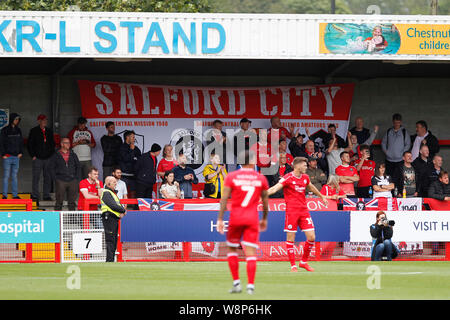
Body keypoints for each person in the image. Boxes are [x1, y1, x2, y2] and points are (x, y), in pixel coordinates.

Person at [216, 150, 269, 295]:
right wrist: (264, 219)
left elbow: (224, 199)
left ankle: (236, 284)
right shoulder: (260, 178)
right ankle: (250, 286)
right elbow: (265, 202)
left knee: (232, 250)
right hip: (252, 218)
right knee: (250, 252)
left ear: (240, 162)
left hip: (236, 217)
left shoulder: (232, 176)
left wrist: (220, 218)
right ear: (253, 162)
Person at [267, 157, 329, 272]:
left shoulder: (305, 177)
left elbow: (310, 186)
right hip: (292, 212)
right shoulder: (288, 177)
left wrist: (322, 196)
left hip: (304, 211)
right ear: (297, 166)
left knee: (312, 237)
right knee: (291, 239)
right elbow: (275, 188)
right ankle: (293, 265)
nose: (306, 167)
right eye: (304, 165)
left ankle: (303, 262)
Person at [27, 114, 55, 202]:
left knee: (47, 177)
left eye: (46, 120)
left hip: (48, 158)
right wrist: (33, 156)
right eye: (43, 120)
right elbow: (30, 144)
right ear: (39, 121)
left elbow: (52, 144)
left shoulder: (49, 131)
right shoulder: (34, 131)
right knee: (36, 177)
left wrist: (51, 155)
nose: (45, 121)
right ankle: (35, 195)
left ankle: (46, 195)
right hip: (38, 158)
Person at [49, 138, 81, 211]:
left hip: (72, 180)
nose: (68, 144)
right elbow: (51, 168)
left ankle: (72, 220)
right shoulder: (56, 155)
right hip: (60, 180)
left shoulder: (73, 154)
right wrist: (56, 179)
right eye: (66, 143)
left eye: (69, 143)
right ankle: (57, 219)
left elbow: (78, 166)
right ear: (62, 144)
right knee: (59, 201)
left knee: (72, 202)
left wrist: (76, 178)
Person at [381, 113, 411, 189]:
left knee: (400, 177)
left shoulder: (404, 132)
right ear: (393, 122)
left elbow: (408, 144)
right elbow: (383, 142)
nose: (396, 124)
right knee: (389, 177)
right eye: (395, 122)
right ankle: (391, 193)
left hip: (400, 160)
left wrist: (402, 154)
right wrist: (386, 152)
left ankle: (399, 192)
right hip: (389, 160)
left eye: (398, 122)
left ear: (400, 122)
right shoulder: (389, 131)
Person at [101, 176, 126, 262]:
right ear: (108, 183)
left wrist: (120, 212)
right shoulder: (107, 192)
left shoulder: (110, 193)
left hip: (113, 218)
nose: (116, 184)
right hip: (109, 217)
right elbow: (113, 205)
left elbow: (115, 205)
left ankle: (111, 260)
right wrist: (123, 210)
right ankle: (109, 260)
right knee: (111, 240)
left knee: (113, 239)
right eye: (114, 182)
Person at [0, 113, 23, 199]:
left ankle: (15, 195)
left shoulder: (18, 130)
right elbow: (1, 143)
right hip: (8, 156)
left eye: (18, 120)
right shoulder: (5, 130)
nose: (17, 121)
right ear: (12, 119)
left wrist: (21, 152)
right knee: (6, 176)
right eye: (15, 119)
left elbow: (21, 142)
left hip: (16, 157)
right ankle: (4, 195)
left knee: (14, 177)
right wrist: (3, 154)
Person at [118, 130, 141, 200]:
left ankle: (134, 208)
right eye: (133, 137)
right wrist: (131, 150)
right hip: (124, 174)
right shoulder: (121, 148)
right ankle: (121, 207)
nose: (134, 139)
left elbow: (139, 159)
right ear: (127, 137)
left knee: (134, 192)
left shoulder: (136, 148)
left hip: (133, 175)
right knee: (121, 192)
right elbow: (126, 159)